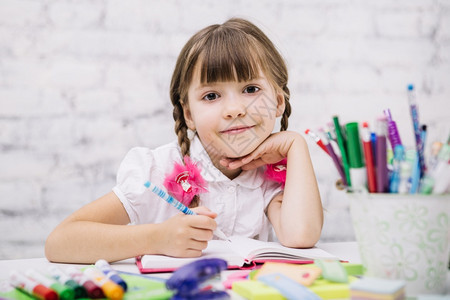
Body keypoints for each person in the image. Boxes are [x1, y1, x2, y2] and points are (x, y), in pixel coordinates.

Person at [45, 18, 323, 263]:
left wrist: (296, 145)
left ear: (277, 102)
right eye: (211, 96)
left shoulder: (270, 176)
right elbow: (60, 242)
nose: (235, 109)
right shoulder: (157, 170)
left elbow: (299, 236)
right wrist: (156, 238)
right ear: (189, 114)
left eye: (250, 89)